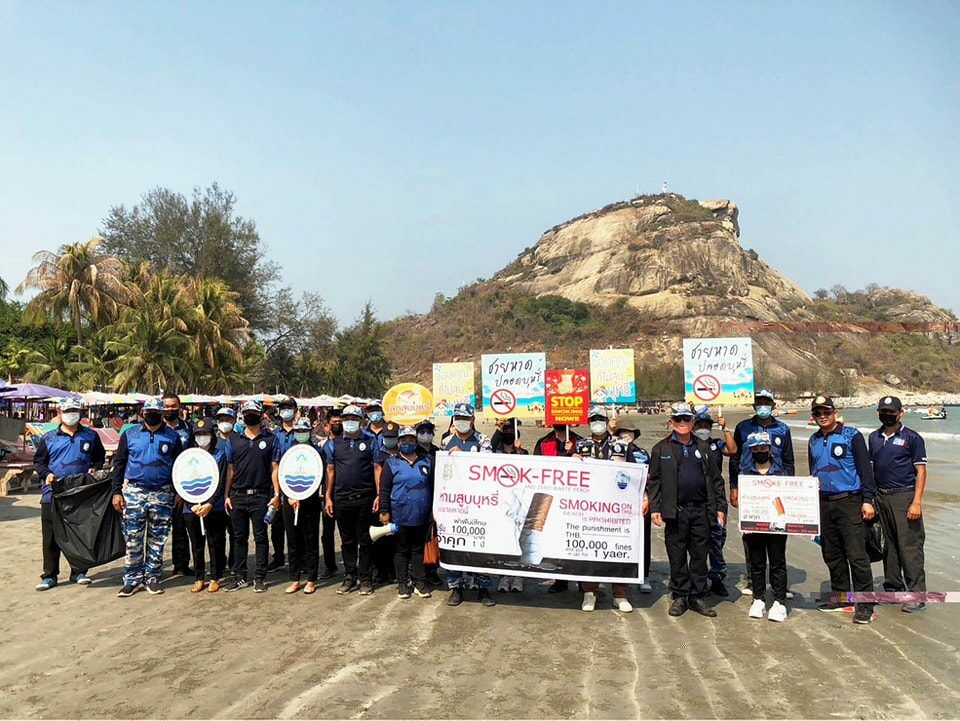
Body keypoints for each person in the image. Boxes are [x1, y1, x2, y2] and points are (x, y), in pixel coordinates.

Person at [648, 402, 727, 618]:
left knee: (700, 555)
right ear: (671, 422)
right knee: (677, 554)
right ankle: (681, 595)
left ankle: (697, 596)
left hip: (701, 510)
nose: (682, 423)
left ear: (693, 421)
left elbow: (716, 480)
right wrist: (655, 507)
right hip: (675, 511)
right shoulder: (660, 449)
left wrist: (720, 507)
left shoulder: (704, 448)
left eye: (686, 419)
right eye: (678, 419)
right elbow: (653, 481)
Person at [807, 395, 877, 624]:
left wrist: (868, 500)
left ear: (835, 412)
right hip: (824, 503)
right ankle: (841, 597)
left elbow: (865, 470)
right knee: (832, 554)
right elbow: (813, 472)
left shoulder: (852, 435)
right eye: (818, 413)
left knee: (857, 555)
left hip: (850, 501)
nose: (822, 416)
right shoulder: (813, 440)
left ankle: (865, 603)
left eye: (826, 411)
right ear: (813, 416)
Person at [112, 397, 184, 597]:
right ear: (142, 412)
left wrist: (179, 492)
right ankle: (132, 578)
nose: (152, 415)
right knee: (133, 537)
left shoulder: (172, 436)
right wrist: (116, 491)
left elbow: (179, 465)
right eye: (148, 411)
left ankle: (152, 577)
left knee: (158, 537)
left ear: (161, 414)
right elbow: (119, 463)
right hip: (135, 492)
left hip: (163, 492)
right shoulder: (130, 434)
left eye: (156, 412)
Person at [33, 398, 106, 590]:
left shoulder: (90, 436)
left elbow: (99, 456)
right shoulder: (48, 438)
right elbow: (39, 462)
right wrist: (46, 474)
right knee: (50, 536)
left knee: (79, 534)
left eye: (74, 410)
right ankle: (50, 575)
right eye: (67, 410)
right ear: (60, 412)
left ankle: (79, 571)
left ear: (80, 412)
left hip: (80, 493)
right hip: (53, 493)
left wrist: (95, 468)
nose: (71, 413)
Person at [574, 406, 640, 612]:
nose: (597, 423)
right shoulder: (581, 445)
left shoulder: (621, 445)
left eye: (600, 419)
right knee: (590, 550)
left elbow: (634, 473)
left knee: (617, 549)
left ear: (607, 421)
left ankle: (620, 594)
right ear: (588, 422)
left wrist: (642, 496)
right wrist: (572, 460)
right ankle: (589, 593)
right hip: (589, 507)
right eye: (593, 419)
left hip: (617, 507)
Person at [729, 389, 794, 596]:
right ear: (753, 405)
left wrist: (790, 488)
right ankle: (752, 580)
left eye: (767, 402)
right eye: (759, 402)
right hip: (750, 488)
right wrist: (733, 486)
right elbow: (735, 458)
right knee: (751, 535)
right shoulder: (743, 427)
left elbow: (789, 460)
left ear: (773, 405)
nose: (762, 406)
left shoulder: (783, 429)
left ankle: (780, 586)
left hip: (777, 487)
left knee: (777, 534)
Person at [869, 396, 928, 613]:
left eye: (891, 411)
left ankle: (917, 595)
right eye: (883, 411)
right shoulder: (874, 438)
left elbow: (920, 471)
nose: (887, 414)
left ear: (900, 413)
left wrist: (917, 501)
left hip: (904, 497)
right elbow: (873, 469)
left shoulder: (913, 438)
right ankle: (893, 588)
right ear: (878, 413)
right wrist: (871, 499)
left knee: (909, 546)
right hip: (881, 497)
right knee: (889, 546)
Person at [223, 400, 280, 593]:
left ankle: (260, 577)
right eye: (246, 412)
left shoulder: (271, 439)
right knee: (239, 538)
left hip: (261, 496)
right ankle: (240, 576)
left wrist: (277, 494)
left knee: (261, 537)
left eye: (253, 412)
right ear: (242, 415)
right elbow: (230, 469)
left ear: (261, 414)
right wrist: (226, 495)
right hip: (238, 495)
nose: (250, 415)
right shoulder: (234, 440)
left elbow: (274, 468)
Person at [441, 403, 494, 607]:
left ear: (473, 419)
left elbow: (489, 468)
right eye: (458, 417)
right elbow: (443, 472)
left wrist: (466, 457)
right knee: (455, 544)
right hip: (455, 504)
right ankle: (456, 587)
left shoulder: (483, 440)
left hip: (479, 503)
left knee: (480, 546)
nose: (461, 421)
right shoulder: (446, 441)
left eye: (465, 417)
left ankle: (483, 588)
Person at [325, 405, 379, 596]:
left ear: (361, 421)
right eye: (346, 418)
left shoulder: (371, 441)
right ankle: (349, 576)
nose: (349, 422)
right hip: (341, 499)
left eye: (353, 418)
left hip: (365, 498)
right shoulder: (334, 443)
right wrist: (328, 497)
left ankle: (365, 578)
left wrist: (379, 495)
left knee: (365, 540)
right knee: (347, 541)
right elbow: (330, 471)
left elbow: (377, 469)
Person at [379, 425, 434, 599]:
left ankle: (419, 582)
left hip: (421, 515)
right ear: (398, 442)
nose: (408, 443)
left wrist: (433, 510)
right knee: (401, 550)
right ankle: (402, 583)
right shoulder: (391, 462)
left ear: (416, 441)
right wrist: (384, 510)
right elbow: (384, 489)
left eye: (411, 439)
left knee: (418, 550)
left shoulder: (426, 461)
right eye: (404, 440)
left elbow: (432, 487)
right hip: (399, 514)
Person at [739, 432, 789, 622]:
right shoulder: (746, 472)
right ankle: (758, 598)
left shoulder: (780, 471)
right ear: (751, 451)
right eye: (756, 449)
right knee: (757, 563)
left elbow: (789, 496)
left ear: (769, 448)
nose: (760, 452)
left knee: (777, 562)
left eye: (763, 448)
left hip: (777, 526)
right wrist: (744, 521)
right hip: (754, 525)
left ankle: (779, 601)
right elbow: (744, 499)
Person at [692, 406, 738, 597]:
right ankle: (698, 579)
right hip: (695, 498)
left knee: (717, 538)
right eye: (700, 424)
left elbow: (732, 450)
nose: (703, 428)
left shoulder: (715, 444)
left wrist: (725, 428)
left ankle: (717, 578)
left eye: (706, 425)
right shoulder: (689, 444)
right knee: (697, 541)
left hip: (717, 497)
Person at [278, 418, 325, 595]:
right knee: (293, 540)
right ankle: (295, 578)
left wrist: (307, 494)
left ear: (309, 431)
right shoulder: (288, 451)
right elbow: (282, 474)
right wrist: (289, 496)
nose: (300, 433)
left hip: (310, 501)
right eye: (297, 430)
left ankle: (312, 579)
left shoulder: (317, 452)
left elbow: (320, 477)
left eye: (303, 430)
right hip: (290, 501)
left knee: (311, 539)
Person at [183, 419, 228, 593]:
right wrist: (191, 503)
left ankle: (215, 577)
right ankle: (199, 577)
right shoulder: (188, 456)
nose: (202, 437)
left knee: (214, 542)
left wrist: (210, 503)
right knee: (196, 543)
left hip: (214, 507)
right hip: (191, 508)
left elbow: (221, 482)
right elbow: (181, 481)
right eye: (199, 435)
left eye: (205, 434)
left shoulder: (219, 455)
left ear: (212, 435)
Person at [534, 422, 579, 593]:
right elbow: (536, 469)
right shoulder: (543, 443)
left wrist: (573, 452)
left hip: (573, 500)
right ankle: (560, 579)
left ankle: (582, 582)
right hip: (550, 499)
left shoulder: (580, 441)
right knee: (555, 539)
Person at [267, 397, 302, 573]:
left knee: (297, 524)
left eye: (289, 408)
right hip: (277, 484)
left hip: (298, 484)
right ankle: (278, 557)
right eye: (283, 408)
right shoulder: (274, 435)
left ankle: (299, 558)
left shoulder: (301, 432)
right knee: (277, 523)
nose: (286, 411)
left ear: (296, 411)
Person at [162, 392, 194, 578]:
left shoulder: (187, 429)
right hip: (160, 483)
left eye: (173, 406)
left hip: (181, 484)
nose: (170, 409)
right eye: (166, 406)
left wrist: (183, 489)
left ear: (179, 407)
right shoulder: (156, 428)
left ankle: (181, 564)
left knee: (181, 526)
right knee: (156, 529)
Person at [495, 419, 528, 594]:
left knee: (518, 540)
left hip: (519, 502)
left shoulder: (524, 452)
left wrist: (519, 451)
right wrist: (498, 430)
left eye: (511, 431)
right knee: (503, 541)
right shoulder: (496, 452)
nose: (508, 434)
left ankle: (518, 577)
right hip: (501, 502)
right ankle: (503, 577)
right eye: (505, 432)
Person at [372, 421, 401, 586]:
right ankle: (382, 571)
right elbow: (377, 472)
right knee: (382, 536)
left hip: (399, 498)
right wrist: (379, 495)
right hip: (383, 497)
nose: (390, 440)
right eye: (387, 437)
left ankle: (395, 571)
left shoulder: (402, 452)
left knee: (397, 537)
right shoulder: (380, 452)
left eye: (393, 437)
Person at [315, 408, 341, 579]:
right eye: (334, 423)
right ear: (327, 425)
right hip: (327, 495)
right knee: (327, 532)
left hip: (346, 492)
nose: (338, 426)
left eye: (340, 423)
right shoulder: (321, 447)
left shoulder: (348, 443)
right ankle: (330, 565)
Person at [214, 406, 238, 574]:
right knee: (217, 533)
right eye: (222, 420)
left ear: (234, 421)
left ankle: (234, 563)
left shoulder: (239, 439)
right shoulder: (212, 441)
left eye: (228, 420)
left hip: (234, 492)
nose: (225, 423)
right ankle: (219, 564)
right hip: (214, 494)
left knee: (235, 532)